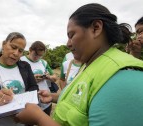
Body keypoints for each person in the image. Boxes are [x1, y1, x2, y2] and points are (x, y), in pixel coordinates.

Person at [15, 3, 143, 126]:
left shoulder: (124, 76)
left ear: (96, 28)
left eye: (72, 35)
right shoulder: (90, 64)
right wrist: (54, 96)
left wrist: (39, 118)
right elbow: (83, 100)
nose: (68, 44)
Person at [20, 41, 58, 115]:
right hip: (28, 101)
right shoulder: (21, 60)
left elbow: (55, 78)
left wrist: (48, 77)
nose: (37, 57)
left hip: (45, 101)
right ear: (30, 50)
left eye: (40, 56)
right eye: (36, 54)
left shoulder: (43, 62)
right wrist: (32, 80)